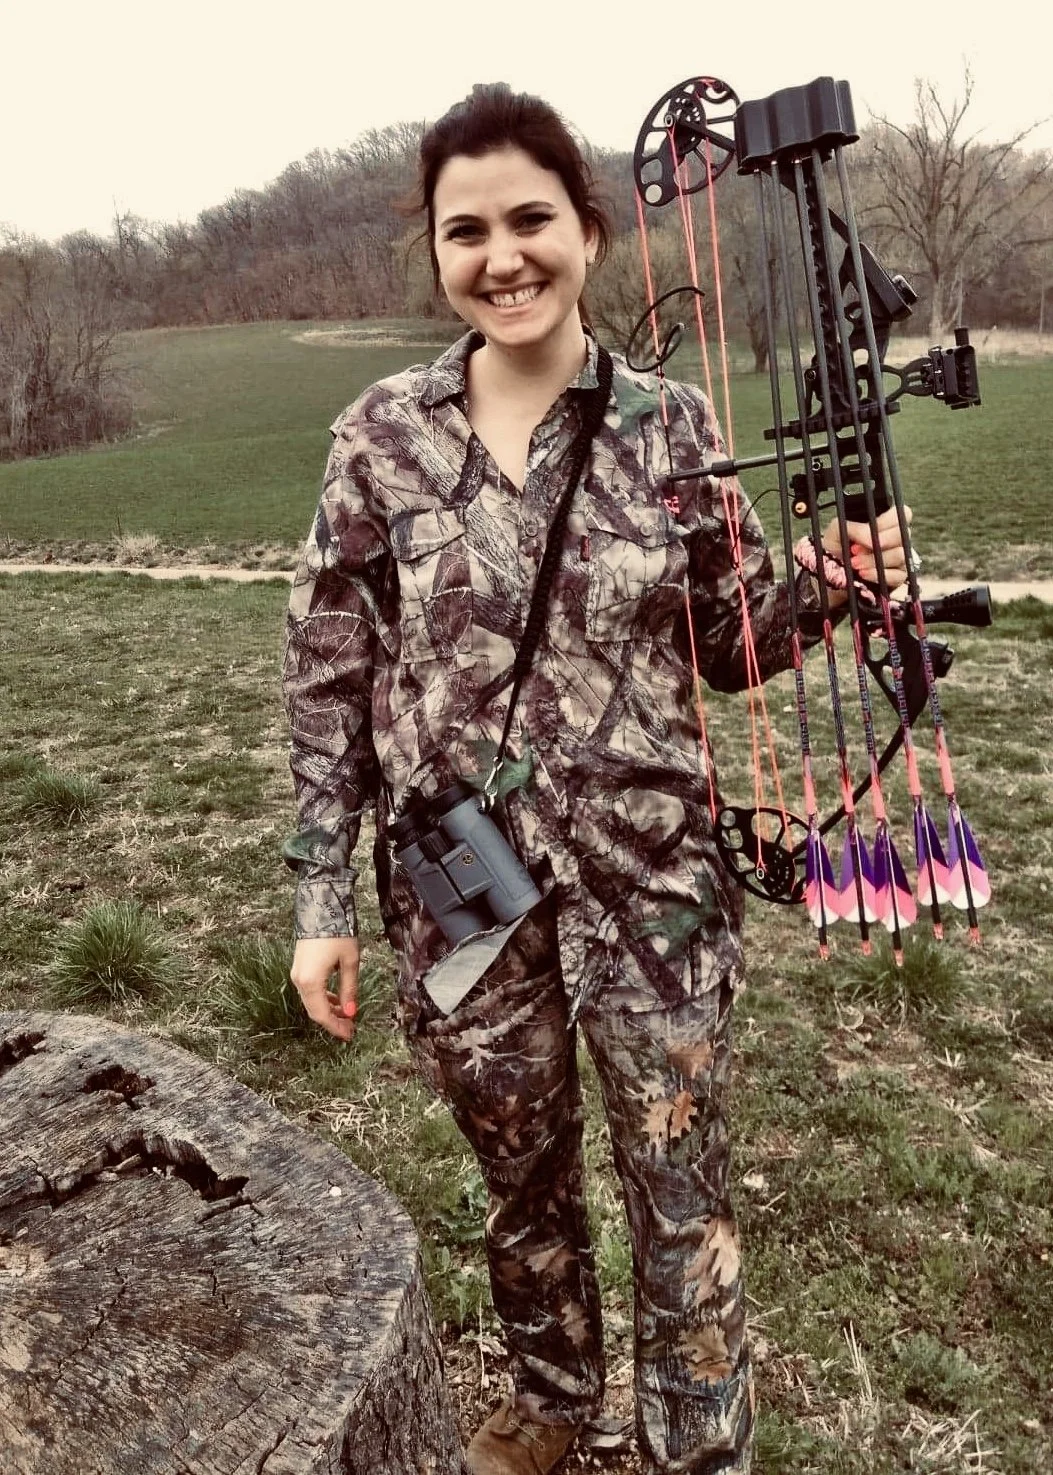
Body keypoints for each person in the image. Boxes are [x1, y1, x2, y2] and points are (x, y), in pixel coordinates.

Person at [281, 83, 912, 1475]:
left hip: (654, 883)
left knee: (677, 1177)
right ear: (436, 254)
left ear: (589, 231)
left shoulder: (672, 427)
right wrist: (322, 894)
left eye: (530, 220)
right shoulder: (379, 438)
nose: (501, 257)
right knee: (520, 1173)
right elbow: (328, 674)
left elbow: (737, 639)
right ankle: (553, 1401)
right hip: (463, 893)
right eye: (467, 232)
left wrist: (837, 587)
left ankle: (698, 1436)